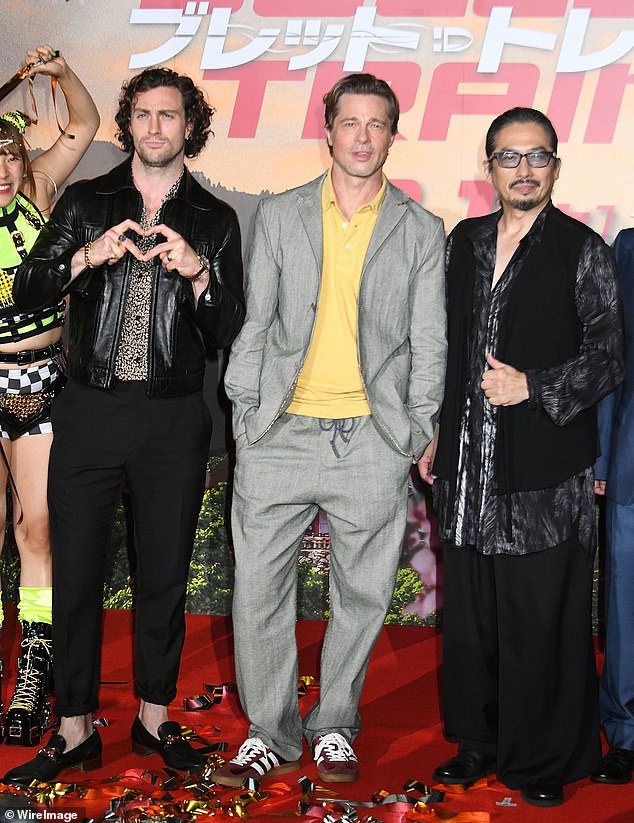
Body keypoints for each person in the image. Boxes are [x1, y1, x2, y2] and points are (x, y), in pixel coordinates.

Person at [3, 67, 244, 782]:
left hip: (173, 417)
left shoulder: (216, 219)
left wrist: (201, 275)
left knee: (163, 574)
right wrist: (87, 254)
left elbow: (227, 326)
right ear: (128, 123)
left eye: (169, 115)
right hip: (91, 409)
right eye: (143, 114)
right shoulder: (86, 201)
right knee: (74, 571)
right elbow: (30, 285)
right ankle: (72, 727)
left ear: (188, 126)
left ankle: (154, 717)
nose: (155, 127)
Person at [215, 72, 446, 787]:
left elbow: (428, 340)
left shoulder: (419, 228)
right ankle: (270, 730)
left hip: (371, 437)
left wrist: (416, 428)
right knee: (256, 590)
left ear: (392, 135)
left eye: (378, 124)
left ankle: (336, 722)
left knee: (363, 593)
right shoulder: (282, 214)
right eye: (351, 122)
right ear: (329, 130)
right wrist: (245, 412)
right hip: (279, 429)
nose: (363, 136)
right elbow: (256, 324)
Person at [422, 107, 624, 808]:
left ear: (556, 167)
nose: (524, 169)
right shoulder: (465, 242)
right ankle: (477, 741)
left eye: (538, 157)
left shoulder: (581, 248)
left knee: (543, 616)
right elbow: (445, 347)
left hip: (545, 472)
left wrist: (532, 386)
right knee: (473, 612)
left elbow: (608, 356)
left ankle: (545, 757)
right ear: (490, 168)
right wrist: (437, 431)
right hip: (468, 467)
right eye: (509, 157)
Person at [0, 45, 99, 747]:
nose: (1, 168)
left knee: (34, 530)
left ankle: (35, 671)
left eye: (7, 153)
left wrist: (57, 73)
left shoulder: (37, 188)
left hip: (36, 379)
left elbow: (84, 124)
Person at [592, 230, 634, 785]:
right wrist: (602, 455)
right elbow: (612, 359)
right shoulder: (628, 249)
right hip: (632, 459)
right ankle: (626, 734)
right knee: (626, 607)